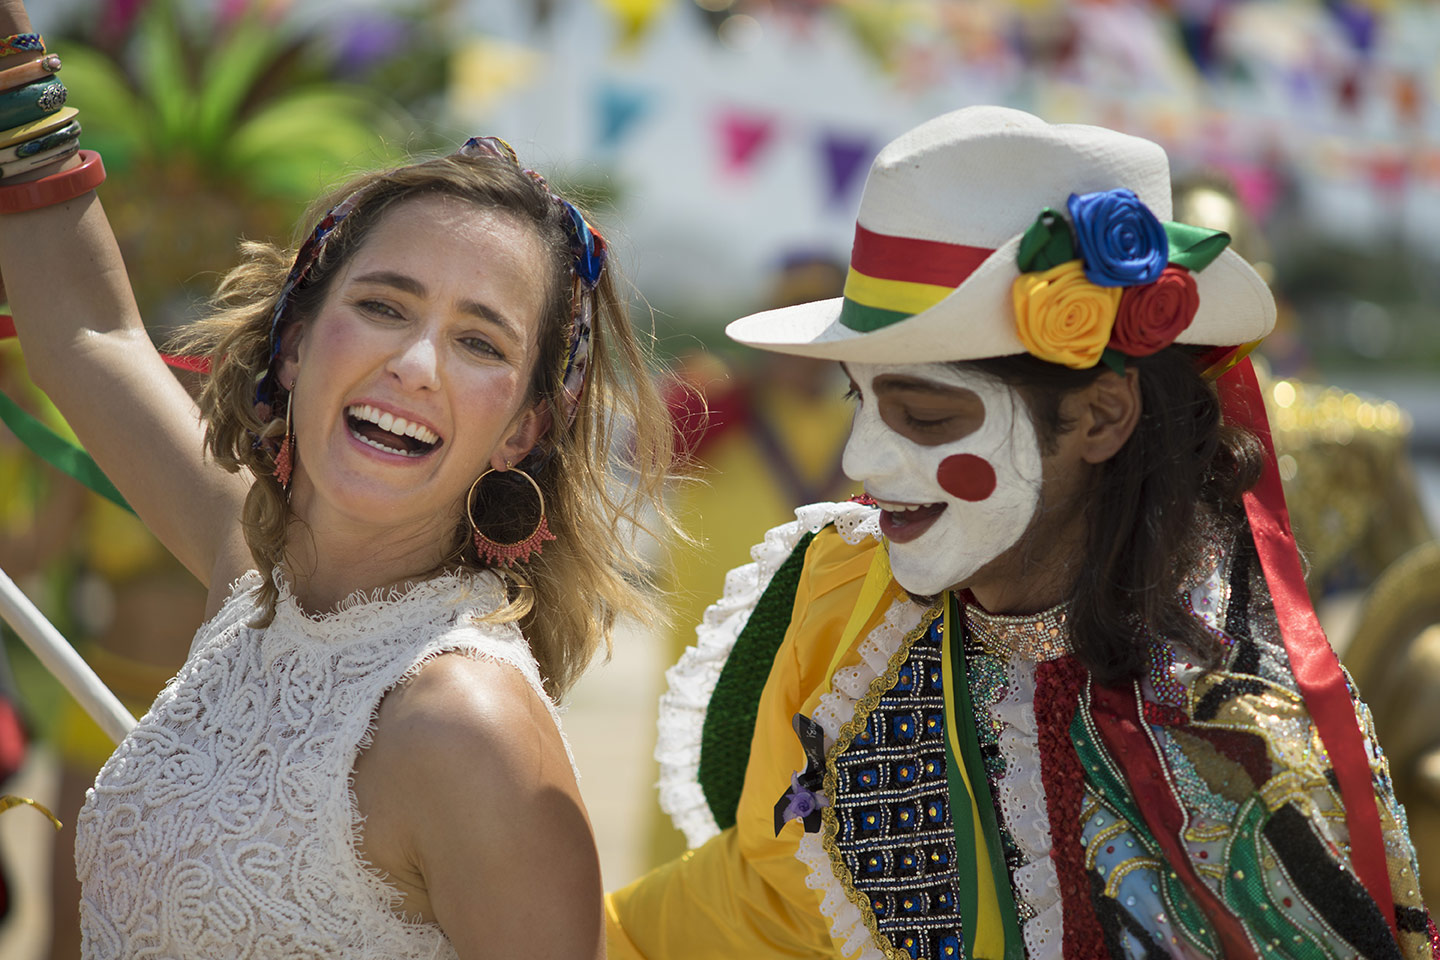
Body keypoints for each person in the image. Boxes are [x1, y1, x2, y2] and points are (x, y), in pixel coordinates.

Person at [607, 106, 1434, 959]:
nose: (862, 456)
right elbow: (754, 903)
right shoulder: (847, 611)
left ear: (1101, 416)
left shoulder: (1241, 757)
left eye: (924, 414)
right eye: (859, 398)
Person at [0, 2, 673, 957]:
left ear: (522, 429)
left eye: (479, 340)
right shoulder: (252, 575)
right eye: (384, 305)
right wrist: (12, 69)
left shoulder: (465, 724)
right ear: (297, 343)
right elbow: (87, 334)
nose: (418, 364)